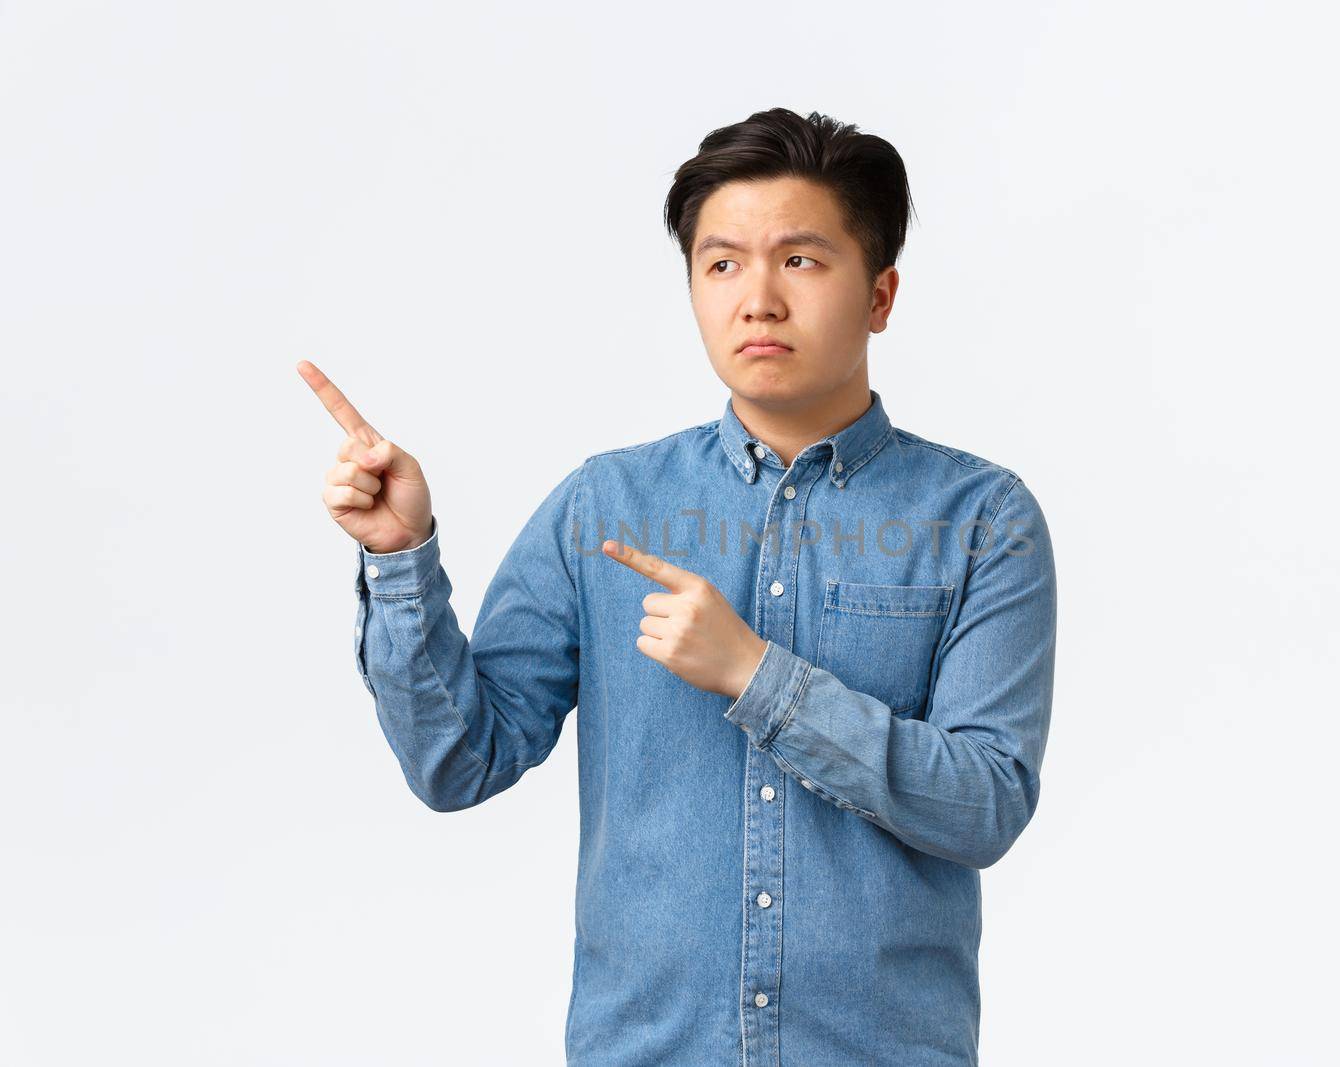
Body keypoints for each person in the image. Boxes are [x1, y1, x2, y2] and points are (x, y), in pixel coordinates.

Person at [298, 106, 1056, 1067]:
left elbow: (984, 804)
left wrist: (756, 674)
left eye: (803, 260)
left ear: (880, 294)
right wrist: (401, 560)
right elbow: (459, 762)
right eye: (723, 263)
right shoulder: (605, 505)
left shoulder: (982, 518)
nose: (759, 299)